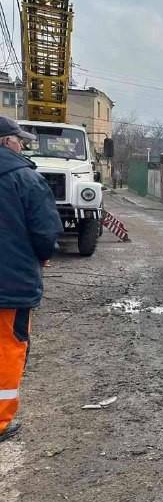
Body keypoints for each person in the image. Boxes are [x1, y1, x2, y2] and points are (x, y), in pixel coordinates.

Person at [0, 116, 62, 442]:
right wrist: (44, 253)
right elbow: (45, 231)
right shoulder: (24, 179)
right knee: (8, 346)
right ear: (5, 142)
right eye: (18, 139)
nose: (21, 145)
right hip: (10, 284)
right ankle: (0, 421)